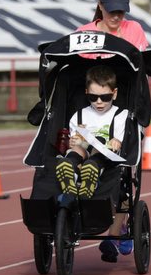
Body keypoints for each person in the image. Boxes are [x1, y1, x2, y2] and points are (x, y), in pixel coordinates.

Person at [75, 0, 146, 261]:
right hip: (91, 109)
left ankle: (116, 232)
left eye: (122, 11)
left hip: (125, 106)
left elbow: (136, 69)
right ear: (100, 6)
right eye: (112, 11)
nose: (117, 17)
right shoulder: (83, 34)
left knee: (123, 171)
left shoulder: (134, 30)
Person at [55, 65, 129, 262]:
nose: (98, 102)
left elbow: (119, 141)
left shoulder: (121, 115)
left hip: (107, 157)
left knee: (100, 147)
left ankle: (89, 175)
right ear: (86, 93)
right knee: (77, 149)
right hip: (84, 150)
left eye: (104, 97)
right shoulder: (78, 115)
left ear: (114, 93)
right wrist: (75, 142)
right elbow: (76, 138)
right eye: (93, 97)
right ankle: (71, 171)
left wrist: (116, 141)